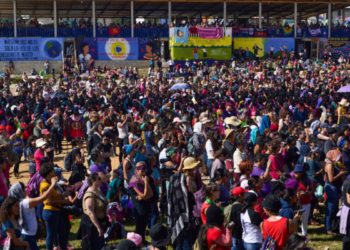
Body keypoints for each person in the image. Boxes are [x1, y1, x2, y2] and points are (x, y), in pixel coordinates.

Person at [8, 180, 57, 250]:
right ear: (20, 191)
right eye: (24, 190)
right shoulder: (25, 202)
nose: (25, 191)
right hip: (27, 235)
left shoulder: (16, 203)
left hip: (26, 233)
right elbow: (43, 197)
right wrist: (52, 184)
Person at [39, 162, 70, 250]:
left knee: (62, 232)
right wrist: (63, 200)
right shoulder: (45, 185)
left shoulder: (52, 182)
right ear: (48, 172)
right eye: (53, 170)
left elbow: (56, 194)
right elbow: (50, 202)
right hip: (50, 212)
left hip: (57, 211)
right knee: (51, 235)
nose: (54, 171)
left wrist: (62, 196)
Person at [80, 173, 108, 250]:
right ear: (93, 181)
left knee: (100, 245)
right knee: (96, 246)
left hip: (101, 222)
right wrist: (98, 227)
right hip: (92, 225)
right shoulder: (89, 195)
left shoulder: (98, 190)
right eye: (99, 179)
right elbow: (91, 213)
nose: (101, 180)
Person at [128, 161, 153, 244]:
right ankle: (137, 243)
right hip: (139, 208)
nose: (144, 173)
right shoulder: (134, 181)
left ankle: (142, 240)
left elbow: (151, 194)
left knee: (144, 226)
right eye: (142, 171)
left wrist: (144, 197)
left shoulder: (142, 179)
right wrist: (146, 183)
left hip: (145, 206)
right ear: (136, 170)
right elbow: (145, 194)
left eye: (145, 171)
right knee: (139, 227)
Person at [324, 150, 347, 235]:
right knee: (330, 208)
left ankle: (333, 226)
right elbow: (331, 179)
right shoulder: (329, 165)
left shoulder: (332, 163)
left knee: (334, 207)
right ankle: (328, 228)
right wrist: (340, 174)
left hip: (334, 187)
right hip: (331, 188)